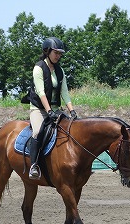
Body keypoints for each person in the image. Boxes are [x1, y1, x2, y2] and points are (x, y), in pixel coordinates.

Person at [28, 37, 77, 180]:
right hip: (39, 109)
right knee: (37, 131)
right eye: (56, 52)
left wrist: (71, 110)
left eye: (60, 53)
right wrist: (48, 111)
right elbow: (41, 92)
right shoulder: (38, 68)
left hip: (55, 109)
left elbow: (65, 93)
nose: (58, 56)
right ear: (47, 51)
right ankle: (34, 165)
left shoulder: (60, 71)